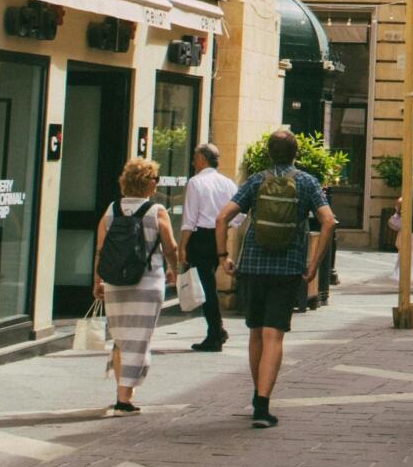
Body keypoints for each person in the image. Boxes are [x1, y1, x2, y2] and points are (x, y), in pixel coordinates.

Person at [213, 129, 335, 430]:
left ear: (269, 153)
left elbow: (222, 218)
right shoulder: (306, 182)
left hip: (253, 265)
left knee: (255, 332)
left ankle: (257, 396)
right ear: (296, 154)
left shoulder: (256, 180)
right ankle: (264, 405)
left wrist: (222, 256)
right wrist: (314, 263)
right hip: (288, 267)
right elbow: (328, 221)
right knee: (274, 335)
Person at [92, 158, 185, 414]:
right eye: (155, 179)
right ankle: (124, 398)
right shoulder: (156, 211)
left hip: (115, 283)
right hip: (147, 282)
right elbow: (171, 247)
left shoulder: (111, 210)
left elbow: (100, 250)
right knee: (140, 339)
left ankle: (122, 393)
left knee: (122, 338)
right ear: (148, 183)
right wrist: (173, 270)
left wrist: (97, 281)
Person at [180, 142, 234, 352]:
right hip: (219, 236)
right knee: (208, 284)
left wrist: (182, 246)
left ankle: (215, 332)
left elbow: (189, 218)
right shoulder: (227, 183)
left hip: (201, 237)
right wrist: (227, 226)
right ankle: (216, 330)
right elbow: (239, 213)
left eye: (195, 158)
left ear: (202, 159)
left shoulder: (196, 182)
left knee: (206, 288)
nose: (193, 162)